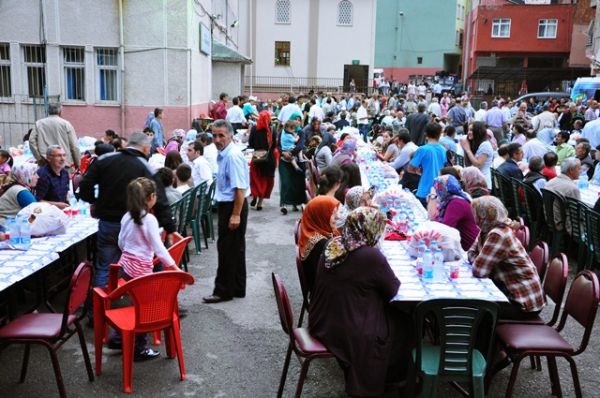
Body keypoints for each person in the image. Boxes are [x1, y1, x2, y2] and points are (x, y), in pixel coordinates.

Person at [309, 207, 407, 397]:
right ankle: (392, 381)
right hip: (345, 329)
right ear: (371, 228)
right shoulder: (370, 256)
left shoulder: (334, 243)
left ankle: (390, 376)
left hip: (322, 318)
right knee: (404, 324)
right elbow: (392, 290)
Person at [78, 132, 176, 295]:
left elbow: (84, 185)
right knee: (142, 263)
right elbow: (160, 199)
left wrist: (95, 202)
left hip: (108, 222)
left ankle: (99, 309)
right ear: (145, 147)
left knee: (105, 267)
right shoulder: (144, 166)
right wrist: (170, 227)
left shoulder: (104, 160)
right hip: (137, 223)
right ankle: (154, 301)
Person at [111, 177, 176, 360]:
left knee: (130, 304)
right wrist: (173, 266)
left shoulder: (126, 216)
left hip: (124, 266)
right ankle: (138, 348)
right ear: (152, 197)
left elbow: (121, 242)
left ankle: (118, 337)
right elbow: (158, 248)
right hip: (141, 270)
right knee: (143, 308)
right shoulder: (149, 219)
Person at [469, 196, 545, 320]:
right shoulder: (488, 228)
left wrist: (479, 259)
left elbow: (479, 271)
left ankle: (486, 339)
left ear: (483, 216)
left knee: (476, 310)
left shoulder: (498, 234)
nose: (473, 217)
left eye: (475, 213)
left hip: (523, 302)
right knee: (475, 303)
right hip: (511, 292)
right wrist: (478, 259)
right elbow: (471, 252)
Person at [203, 120, 250, 304]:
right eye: (214, 135)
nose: (217, 139)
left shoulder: (232, 156)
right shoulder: (224, 154)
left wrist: (236, 214)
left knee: (227, 249)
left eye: (221, 135)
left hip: (233, 205)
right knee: (235, 249)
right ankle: (237, 287)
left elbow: (239, 189)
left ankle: (222, 291)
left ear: (230, 136)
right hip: (231, 204)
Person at [298, 195, 340, 293]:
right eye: (333, 214)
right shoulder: (321, 245)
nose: (338, 217)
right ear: (321, 215)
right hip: (324, 296)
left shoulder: (311, 231)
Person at [430, 175, 480, 251]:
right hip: (469, 245)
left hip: (470, 248)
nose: (437, 190)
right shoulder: (451, 199)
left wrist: (433, 196)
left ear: (445, 188)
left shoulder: (456, 203)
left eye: (438, 187)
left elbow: (444, 229)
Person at [29, 103, 81, 169]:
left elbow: (31, 141)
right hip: (63, 162)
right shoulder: (66, 124)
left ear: (48, 111)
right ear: (60, 112)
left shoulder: (39, 123)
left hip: (46, 161)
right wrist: (77, 164)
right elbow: (74, 146)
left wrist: (39, 158)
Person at [408, 123, 447, 205]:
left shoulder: (422, 149)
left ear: (426, 134)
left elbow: (410, 168)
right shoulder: (444, 150)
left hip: (425, 189)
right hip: (440, 190)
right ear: (440, 134)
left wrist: (419, 172)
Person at [248, 111, 277, 210]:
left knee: (256, 179)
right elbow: (274, 146)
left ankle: (255, 195)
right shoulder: (272, 130)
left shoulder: (254, 129)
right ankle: (259, 203)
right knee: (265, 180)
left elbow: (250, 144)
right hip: (269, 158)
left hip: (257, 157)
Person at [545, 158, 581, 231]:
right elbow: (577, 214)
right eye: (579, 169)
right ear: (571, 170)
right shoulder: (572, 188)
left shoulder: (550, 182)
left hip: (548, 219)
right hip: (561, 224)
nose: (580, 171)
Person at [460, 121, 494, 189]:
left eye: (471, 130)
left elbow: (478, 164)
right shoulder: (474, 144)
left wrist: (468, 150)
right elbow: (468, 165)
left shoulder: (485, 145)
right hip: (472, 183)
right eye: (468, 130)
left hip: (482, 184)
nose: (468, 132)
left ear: (478, 131)